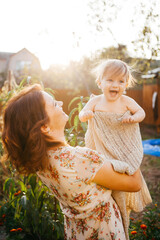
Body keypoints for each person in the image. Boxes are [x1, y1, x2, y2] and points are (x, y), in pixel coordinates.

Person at [2, 84, 142, 240]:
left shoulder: (41, 161)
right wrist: (129, 136)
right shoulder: (80, 160)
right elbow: (135, 184)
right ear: (44, 127)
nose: (61, 103)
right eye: (54, 104)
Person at [79, 59, 152, 238]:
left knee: (123, 180)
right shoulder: (95, 101)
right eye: (110, 80)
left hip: (122, 149)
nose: (115, 85)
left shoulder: (127, 101)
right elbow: (82, 115)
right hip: (103, 147)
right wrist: (86, 114)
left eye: (121, 81)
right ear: (100, 82)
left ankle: (121, 218)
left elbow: (141, 112)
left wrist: (135, 118)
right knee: (108, 185)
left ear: (126, 84)